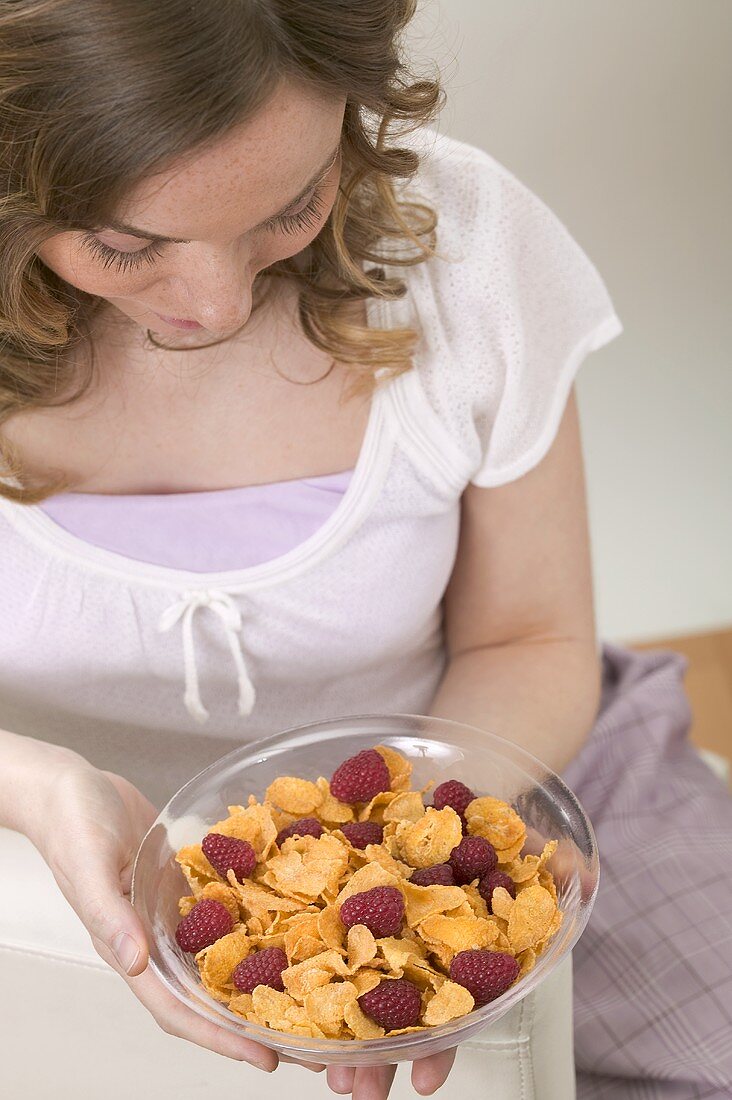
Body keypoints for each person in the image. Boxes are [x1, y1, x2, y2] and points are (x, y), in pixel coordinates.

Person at [1, 2, 730, 1099]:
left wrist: (430, 839)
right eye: (125, 244)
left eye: (291, 205)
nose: (217, 301)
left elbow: (531, 631)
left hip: (488, 761)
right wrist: (34, 784)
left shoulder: (467, 241)